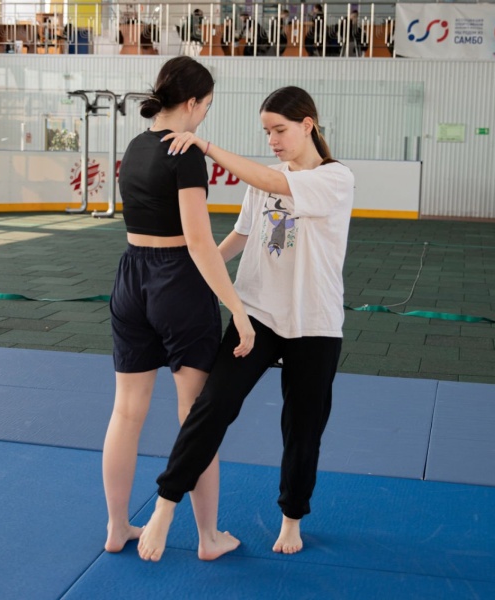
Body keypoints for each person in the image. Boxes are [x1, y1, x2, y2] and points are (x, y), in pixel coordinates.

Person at [137, 86, 355, 562]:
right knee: (212, 406)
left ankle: (292, 516)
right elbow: (241, 234)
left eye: (280, 130)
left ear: (308, 126)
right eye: (266, 132)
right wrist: (200, 273)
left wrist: (207, 146)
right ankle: (165, 506)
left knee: (303, 427)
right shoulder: (265, 180)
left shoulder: (336, 178)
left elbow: (277, 184)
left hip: (315, 323)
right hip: (256, 314)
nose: (272, 140)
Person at [102, 55, 255, 560]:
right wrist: (236, 307)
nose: (204, 116)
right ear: (192, 102)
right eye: (206, 106)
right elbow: (198, 241)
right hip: (177, 285)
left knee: (126, 411)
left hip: (131, 278)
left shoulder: (135, 146)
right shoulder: (184, 153)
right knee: (196, 415)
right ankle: (208, 537)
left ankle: (117, 527)